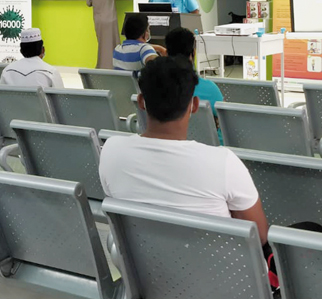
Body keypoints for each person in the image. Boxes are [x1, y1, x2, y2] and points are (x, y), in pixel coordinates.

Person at [98, 56, 269, 244]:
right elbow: (259, 236)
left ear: (141, 102)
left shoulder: (110, 151)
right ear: (194, 105)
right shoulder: (224, 163)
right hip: (217, 270)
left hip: (145, 270)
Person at [165, 26, 223, 124]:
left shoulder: (156, 88)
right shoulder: (210, 89)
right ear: (193, 53)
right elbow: (222, 120)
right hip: (207, 139)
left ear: (166, 54)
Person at [87, 0, 131, 69]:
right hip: (109, 19)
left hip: (98, 20)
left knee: (102, 44)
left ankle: (102, 66)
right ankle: (113, 66)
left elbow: (88, 3)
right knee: (112, 44)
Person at [0, 28, 64, 88]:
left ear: (21, 51)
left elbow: (0, 95)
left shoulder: (7, 71)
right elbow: (61, 98)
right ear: (43, 50)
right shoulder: (50, 72)